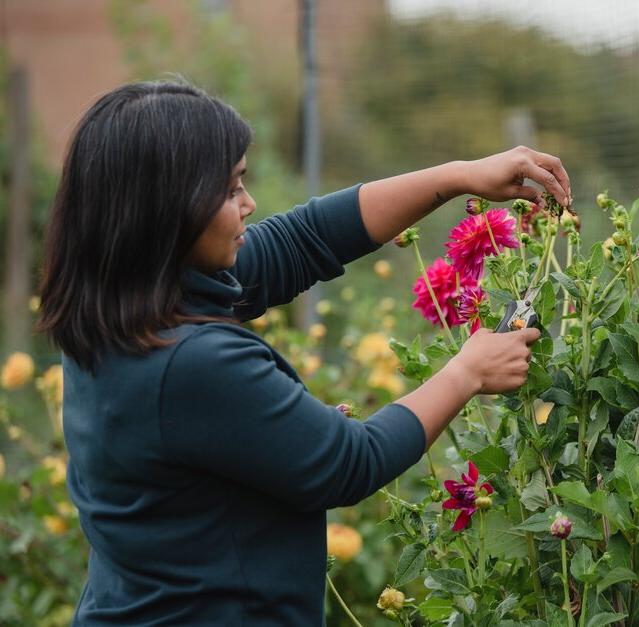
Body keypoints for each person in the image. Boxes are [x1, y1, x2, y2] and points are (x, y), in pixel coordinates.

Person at [36, 80, 571, 626]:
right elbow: (348, 462)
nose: (249, 204)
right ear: (165, 212)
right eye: (228, 191)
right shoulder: (189, 363)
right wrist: (467, 371)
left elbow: (301, 240)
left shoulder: (118, 312)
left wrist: (456, 177)